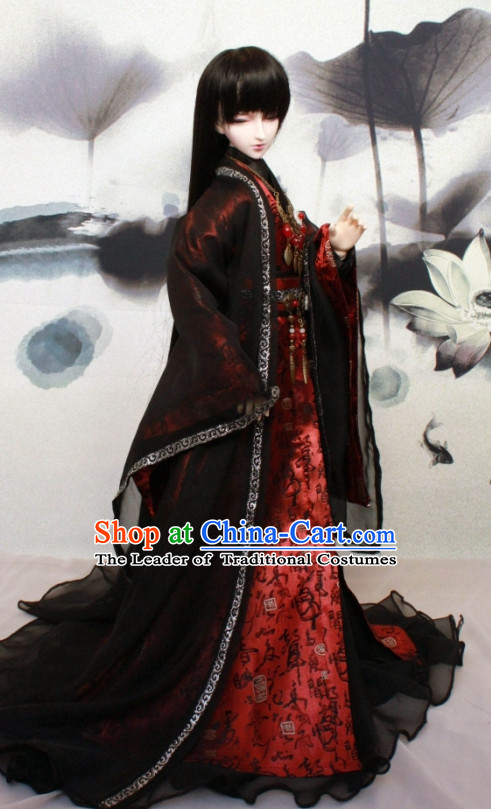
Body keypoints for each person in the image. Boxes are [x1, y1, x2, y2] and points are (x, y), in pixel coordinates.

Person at [0, 46, 463, 809]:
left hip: (291, 402)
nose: (257, 128)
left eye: (267, 113)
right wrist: (234, 378)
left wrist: (327, 251)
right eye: (242, 114)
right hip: (252, 410)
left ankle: (299, 657)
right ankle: (241, 670)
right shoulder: (222, 199)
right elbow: (192, 292)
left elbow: (287, 262)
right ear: (216, 118)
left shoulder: (263, 187)